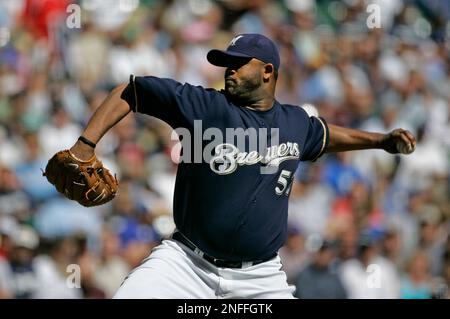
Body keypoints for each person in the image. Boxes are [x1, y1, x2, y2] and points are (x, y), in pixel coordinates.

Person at [66, 34, 416, 298]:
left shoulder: (295, 122)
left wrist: (381, 141)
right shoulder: (202, 106)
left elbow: (326, 135)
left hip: (261, 277)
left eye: (238, 62)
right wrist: (85, 145)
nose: (229, 69)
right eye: (226, 62)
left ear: (267, 71)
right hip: (186, 263)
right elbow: (131, 91)